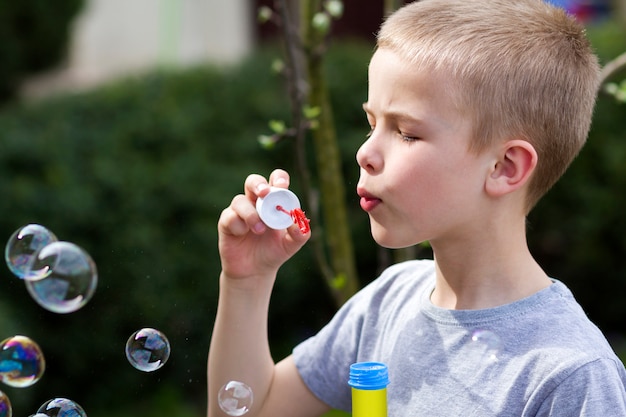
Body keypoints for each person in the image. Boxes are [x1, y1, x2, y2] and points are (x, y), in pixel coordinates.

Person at [208, 0, 626, 415]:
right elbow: (252, 411)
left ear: (504, 167)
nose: (365, 153)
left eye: (406, 133)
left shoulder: (572, 376)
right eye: (372, 124)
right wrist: (247, 281)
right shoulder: (388, 303)